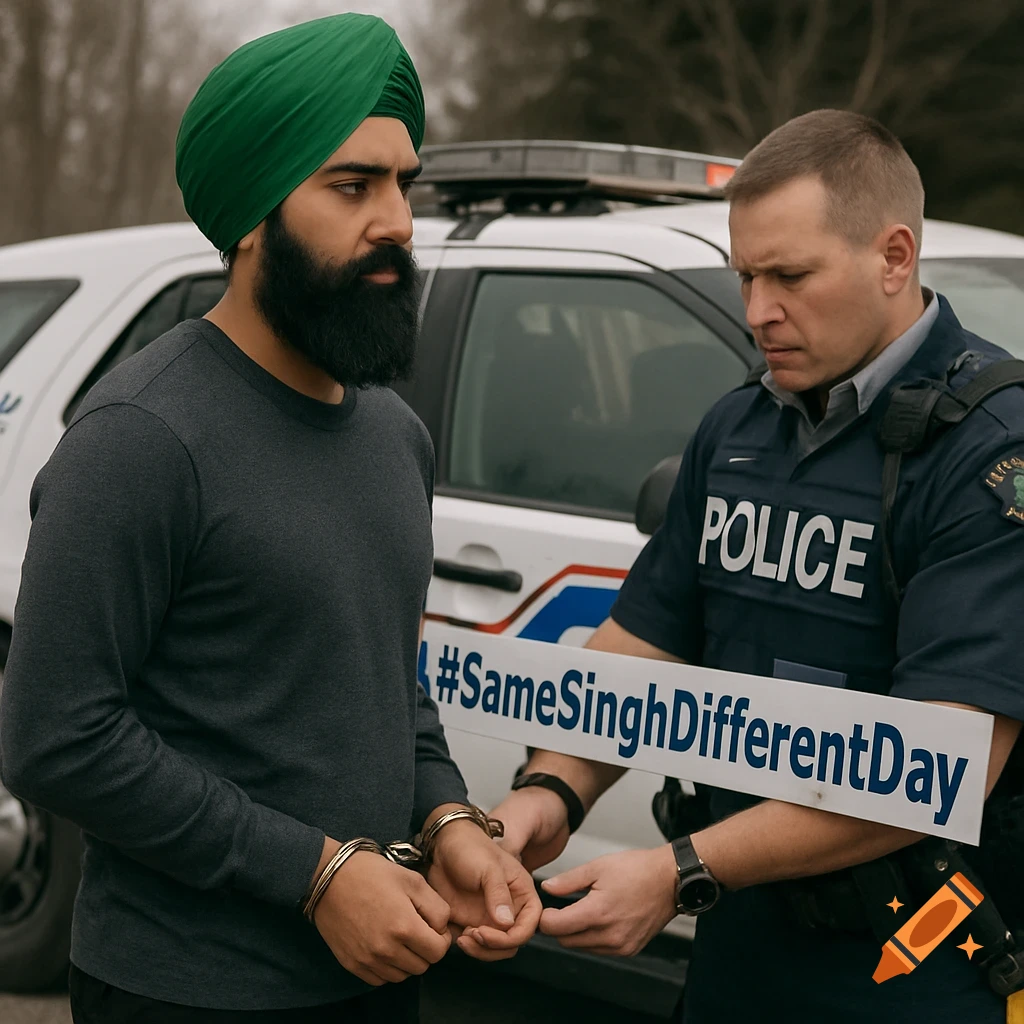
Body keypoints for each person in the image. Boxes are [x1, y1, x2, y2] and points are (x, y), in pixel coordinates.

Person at [0, 13, 539, 1024]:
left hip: (379, 978)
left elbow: (384, 682)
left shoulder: (394, 435)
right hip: (182, 990)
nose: (397, 220)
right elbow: (54, 736)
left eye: (401, 183)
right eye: (351, 185)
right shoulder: (139, 437)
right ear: (252, 214)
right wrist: (317, 873)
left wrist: (454, 819)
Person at [481, 110, 1024, 1023]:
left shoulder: (992, 453)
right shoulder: (738, 428)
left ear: (894, 257)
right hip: (742, 945)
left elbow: (939, 766)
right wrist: (549, 794)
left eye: (790, 276)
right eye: (745, 276)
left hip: (917, 962)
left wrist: (679, 871)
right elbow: (644, 643)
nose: (757, 311)